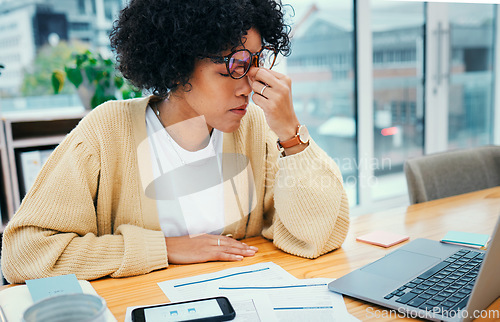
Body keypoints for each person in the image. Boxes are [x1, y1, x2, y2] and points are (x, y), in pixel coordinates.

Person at [1, 0, 349, 284]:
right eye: (235, 65)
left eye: (255, 62)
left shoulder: (254, 129)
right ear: (179, 66)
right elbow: (24, 254)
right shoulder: (107, 132)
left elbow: (317, 237)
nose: (249, 85)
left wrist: (291, 135)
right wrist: (164, 248)